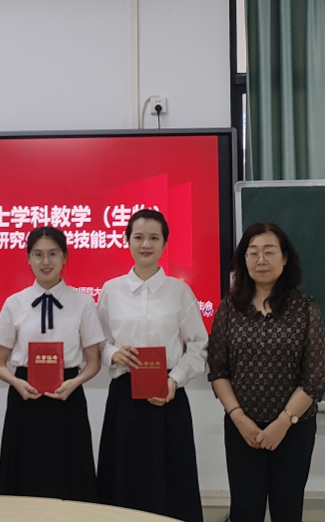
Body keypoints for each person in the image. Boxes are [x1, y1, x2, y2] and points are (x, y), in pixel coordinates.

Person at [207, 222, 325, 522]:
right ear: (244, 261)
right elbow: (218, 372)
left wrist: (283, 423)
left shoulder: (305, 308)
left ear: (285, 258)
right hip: (242, 429)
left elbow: (314, 379)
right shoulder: (229, 309)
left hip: (294, 429)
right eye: (253, 253)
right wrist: (240, 419)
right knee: (245, 511)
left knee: (287, 511)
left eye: (269, 252)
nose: (261, 260)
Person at [96, 209, 208, 522]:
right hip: (124, 397)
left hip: (168, 396)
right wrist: (113, 354)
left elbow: (198, 345)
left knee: (170, 478)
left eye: (154, 238)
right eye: (139, 237)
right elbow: (98, 342)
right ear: (127, 241)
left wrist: (175, 379)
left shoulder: (179, 291)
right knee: (124, 476)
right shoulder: (111, 290)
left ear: (164, 244)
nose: (146, 244)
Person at [0, 226, 103, 500]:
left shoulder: (83, 303)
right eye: (38, 254)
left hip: (67, 396)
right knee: (25, 474)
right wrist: (16, 382)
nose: (45, 261)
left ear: (64, 257)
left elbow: (93, 362)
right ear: (28, 258)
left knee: (70, 475)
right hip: (25, 398)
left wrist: (74, 383)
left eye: (53, 254)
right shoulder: (14, 303)